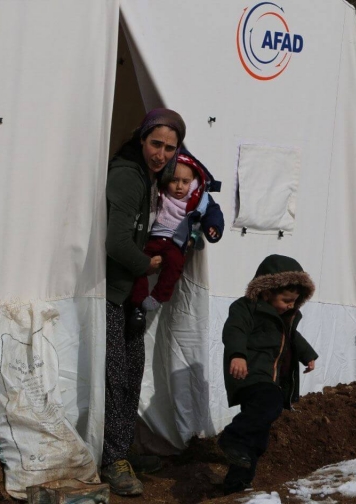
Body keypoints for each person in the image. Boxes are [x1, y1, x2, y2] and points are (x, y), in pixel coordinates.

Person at [102, 108, 185, 496]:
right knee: (115, 377)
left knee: (132, 371)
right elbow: (117, 242)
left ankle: (123, 448)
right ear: (142, 138)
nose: (162, 154)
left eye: (170, 147)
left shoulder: (153, 179)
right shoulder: (127, 176)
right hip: (111, 290)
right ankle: (112, 459)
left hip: (129, 292)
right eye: (156, 144)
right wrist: (146, 263)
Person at [219, 254, 319, 495]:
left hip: (269, 377)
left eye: (295, 301)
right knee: (270, 404)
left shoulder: (285, 318)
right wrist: (237, 355)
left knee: (257, 437)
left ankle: (237, 484)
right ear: (266, 292)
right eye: (286, 300)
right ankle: (230, 438)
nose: (291, 306)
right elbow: (235, 330)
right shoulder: (246, 308)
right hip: (250, 372)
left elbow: (294, 338)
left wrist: (308, 355)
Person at [128, 148, 224, 321]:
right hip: (155, 237)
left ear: (193, 181)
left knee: (174, 267)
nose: (179, 186)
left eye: (185, 181)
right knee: (138, 262)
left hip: (176, 241)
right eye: (174, 180)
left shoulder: (199, 197)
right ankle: (138, 300)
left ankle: (158, 296)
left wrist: (213, 227)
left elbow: (213, 212)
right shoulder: (160, 192)